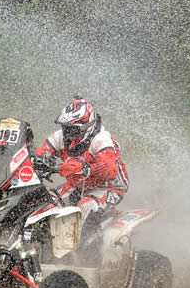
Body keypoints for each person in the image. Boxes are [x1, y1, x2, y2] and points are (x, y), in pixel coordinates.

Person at [35, 97, 129, 234]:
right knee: (45, 201)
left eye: (72, 129)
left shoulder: (101, 139)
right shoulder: (60, 136)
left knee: (86, 207)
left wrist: (86, 168)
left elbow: (111, 170)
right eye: (65, 127)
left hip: (109, 186)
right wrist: (33, 159)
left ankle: (90, 254)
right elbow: (42, 152)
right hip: (78, 184)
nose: (67, 133)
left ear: (87, 127)